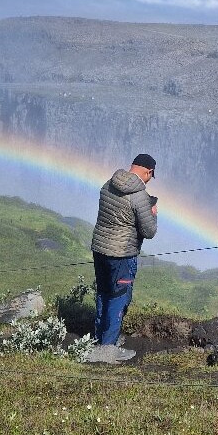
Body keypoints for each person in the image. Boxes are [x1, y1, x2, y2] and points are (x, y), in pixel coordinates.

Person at [87, 153, 158, 363]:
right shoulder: (139, 197)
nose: (148, 180)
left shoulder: (108, 184)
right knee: (118, 297)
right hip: (121, 254)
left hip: (100, 249)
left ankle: (100, 340)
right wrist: (153, 212)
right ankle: (107, 350)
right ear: (149, 172)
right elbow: (149, 231)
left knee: (104, 293)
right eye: (150, 177)